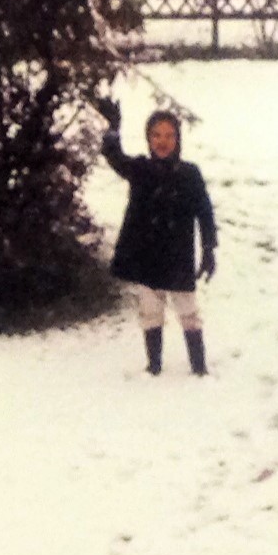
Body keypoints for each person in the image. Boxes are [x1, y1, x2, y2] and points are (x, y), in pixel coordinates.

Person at [94, 94, 218, 376]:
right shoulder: (141, 170)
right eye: (156, 135)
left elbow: (205, 213)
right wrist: (113, 127)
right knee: (150, 310)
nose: (162, 141)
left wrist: (209, 248)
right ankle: (154, 366)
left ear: (178, 140)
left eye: (169, 135)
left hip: (178, 256)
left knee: (188, 311)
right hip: (147, 255)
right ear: (148, 139)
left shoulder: (189, 174)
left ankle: (199, 367)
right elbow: (115, 158)